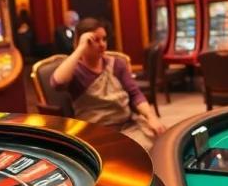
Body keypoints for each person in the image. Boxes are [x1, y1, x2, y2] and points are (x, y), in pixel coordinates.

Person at [50, 17, 165, 150]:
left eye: (104, 39)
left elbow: (135, 94)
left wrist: (151, 116)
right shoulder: (75, 70)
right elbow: (57, 83)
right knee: (136, 153)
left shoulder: (117, 64)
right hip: (96, 134)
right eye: (95, 40)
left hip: (127, 125)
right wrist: (80, 48)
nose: (103, 44)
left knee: (163, 142)